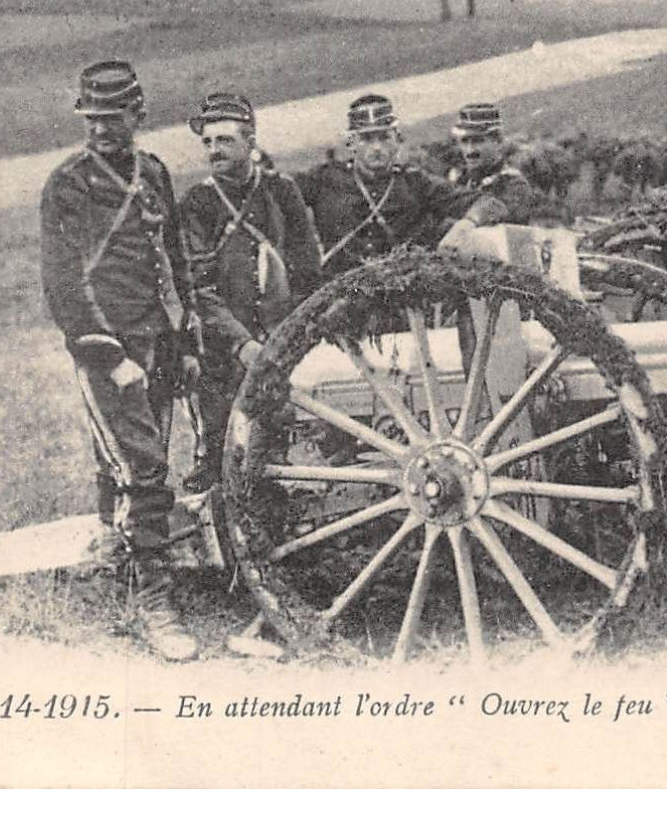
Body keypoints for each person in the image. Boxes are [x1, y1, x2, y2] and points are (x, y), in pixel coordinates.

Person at [39, 60, 202, 662]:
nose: (103, 129)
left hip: (158, 340)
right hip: (108, 347)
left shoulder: (153, 171)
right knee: (145, 469)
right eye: (93, 119)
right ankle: (155, 604)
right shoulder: (68, 183)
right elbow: (61, 282)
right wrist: (107, 355)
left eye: (114, 118)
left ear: (138, 115)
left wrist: (182, 342)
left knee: (130, 465)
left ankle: (117, 555)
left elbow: (174, 258)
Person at [178, 92, 320, 494]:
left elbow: (307, 267)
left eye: (224, 141)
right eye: (207, 142)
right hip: (221, 346)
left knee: (272, 444)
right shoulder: (198, 202)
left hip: (279, 335)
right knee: (217, 449)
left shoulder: (281, 191)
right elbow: (197, 289)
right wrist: (240, 343)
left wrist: (289, 333)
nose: (213, 151)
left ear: (250, 142)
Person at [300, 94, 469, 278]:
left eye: (384, 138)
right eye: (366, 139)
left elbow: (486, 202)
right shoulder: (324, 179)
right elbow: (277, 197)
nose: (377, 147)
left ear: (397, 140)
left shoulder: (415, 181)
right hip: (341, 291)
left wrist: (465, 225)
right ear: (351, 143)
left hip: (406, 291)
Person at [445, 102, 544, 233]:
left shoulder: (514, 185)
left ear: (498, 142)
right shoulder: (463, 181)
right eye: (464, 141)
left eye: (478, 141)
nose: (470, 150)